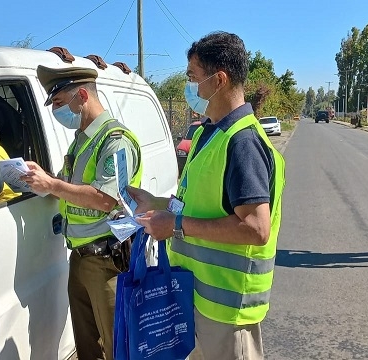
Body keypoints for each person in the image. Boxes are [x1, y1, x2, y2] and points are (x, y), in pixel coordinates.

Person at [128, 31, 285, 360]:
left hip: (227, 315)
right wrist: (154, 204)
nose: (189, 87)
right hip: (197, 301)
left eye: (192, 77)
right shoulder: (208, 134)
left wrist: (175, 226)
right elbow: (197, 205)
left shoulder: (243, 143)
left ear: (219, 80)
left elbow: (256, 228)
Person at [20, 65, 142, 360]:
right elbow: (66, 184)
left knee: (118, 348)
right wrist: (42, 178)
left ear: (82, 96)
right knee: (88, 348)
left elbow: (104, 199)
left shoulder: (115, 141)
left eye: (60, 103)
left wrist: (53, 184)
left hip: (107, 261)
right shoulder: (81, 140)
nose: (56, 112)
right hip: (81, 257)